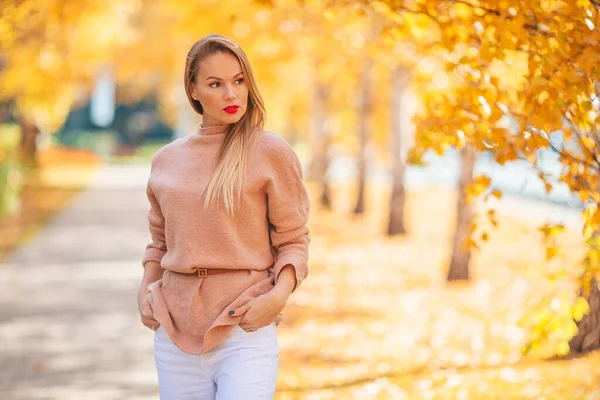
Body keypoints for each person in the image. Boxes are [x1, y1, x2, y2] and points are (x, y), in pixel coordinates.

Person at [136, 33, 310, 399]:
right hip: (175, 332)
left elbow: (293, 240)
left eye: (239, 80)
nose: (231, 94)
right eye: (216, 84)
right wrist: (145, 291)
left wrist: (278, 296)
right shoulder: (166, 160)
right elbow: (160, 243)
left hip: (244, 328)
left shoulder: (270, 152)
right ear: (194, 90)